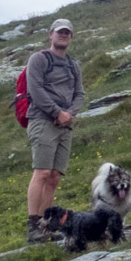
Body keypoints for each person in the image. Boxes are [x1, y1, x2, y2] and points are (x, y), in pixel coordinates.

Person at [25, 18, 86, 243]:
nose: (64, 35)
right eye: (60, 32)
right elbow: (35, 89)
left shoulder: (73, 65)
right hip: (42, 120)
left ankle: (46, 225)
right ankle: (33, 225)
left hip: (65, 125)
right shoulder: (39, 59)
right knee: (41, 173)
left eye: (67, 33)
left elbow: (80, 94)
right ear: (50, 34)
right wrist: (56, 112)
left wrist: (69, 113)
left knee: (54, 177)